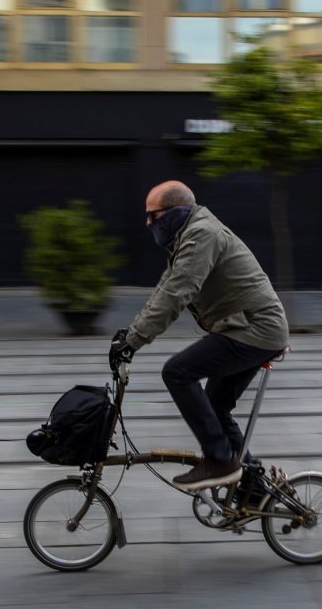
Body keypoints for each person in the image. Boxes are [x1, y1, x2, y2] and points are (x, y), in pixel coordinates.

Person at [109, 180, 289, 491]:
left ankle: (220, 460)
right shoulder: (191, 235)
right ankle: (253, 487)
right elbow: (167, 287)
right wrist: (131, 332)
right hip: (250, 327)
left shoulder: (202, 234)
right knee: (216, 405)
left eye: (153, 215)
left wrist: (134, 341)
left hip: (253, 330)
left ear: (176, 212)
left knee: (177, 372)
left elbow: (178, 292)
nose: (148, 223)